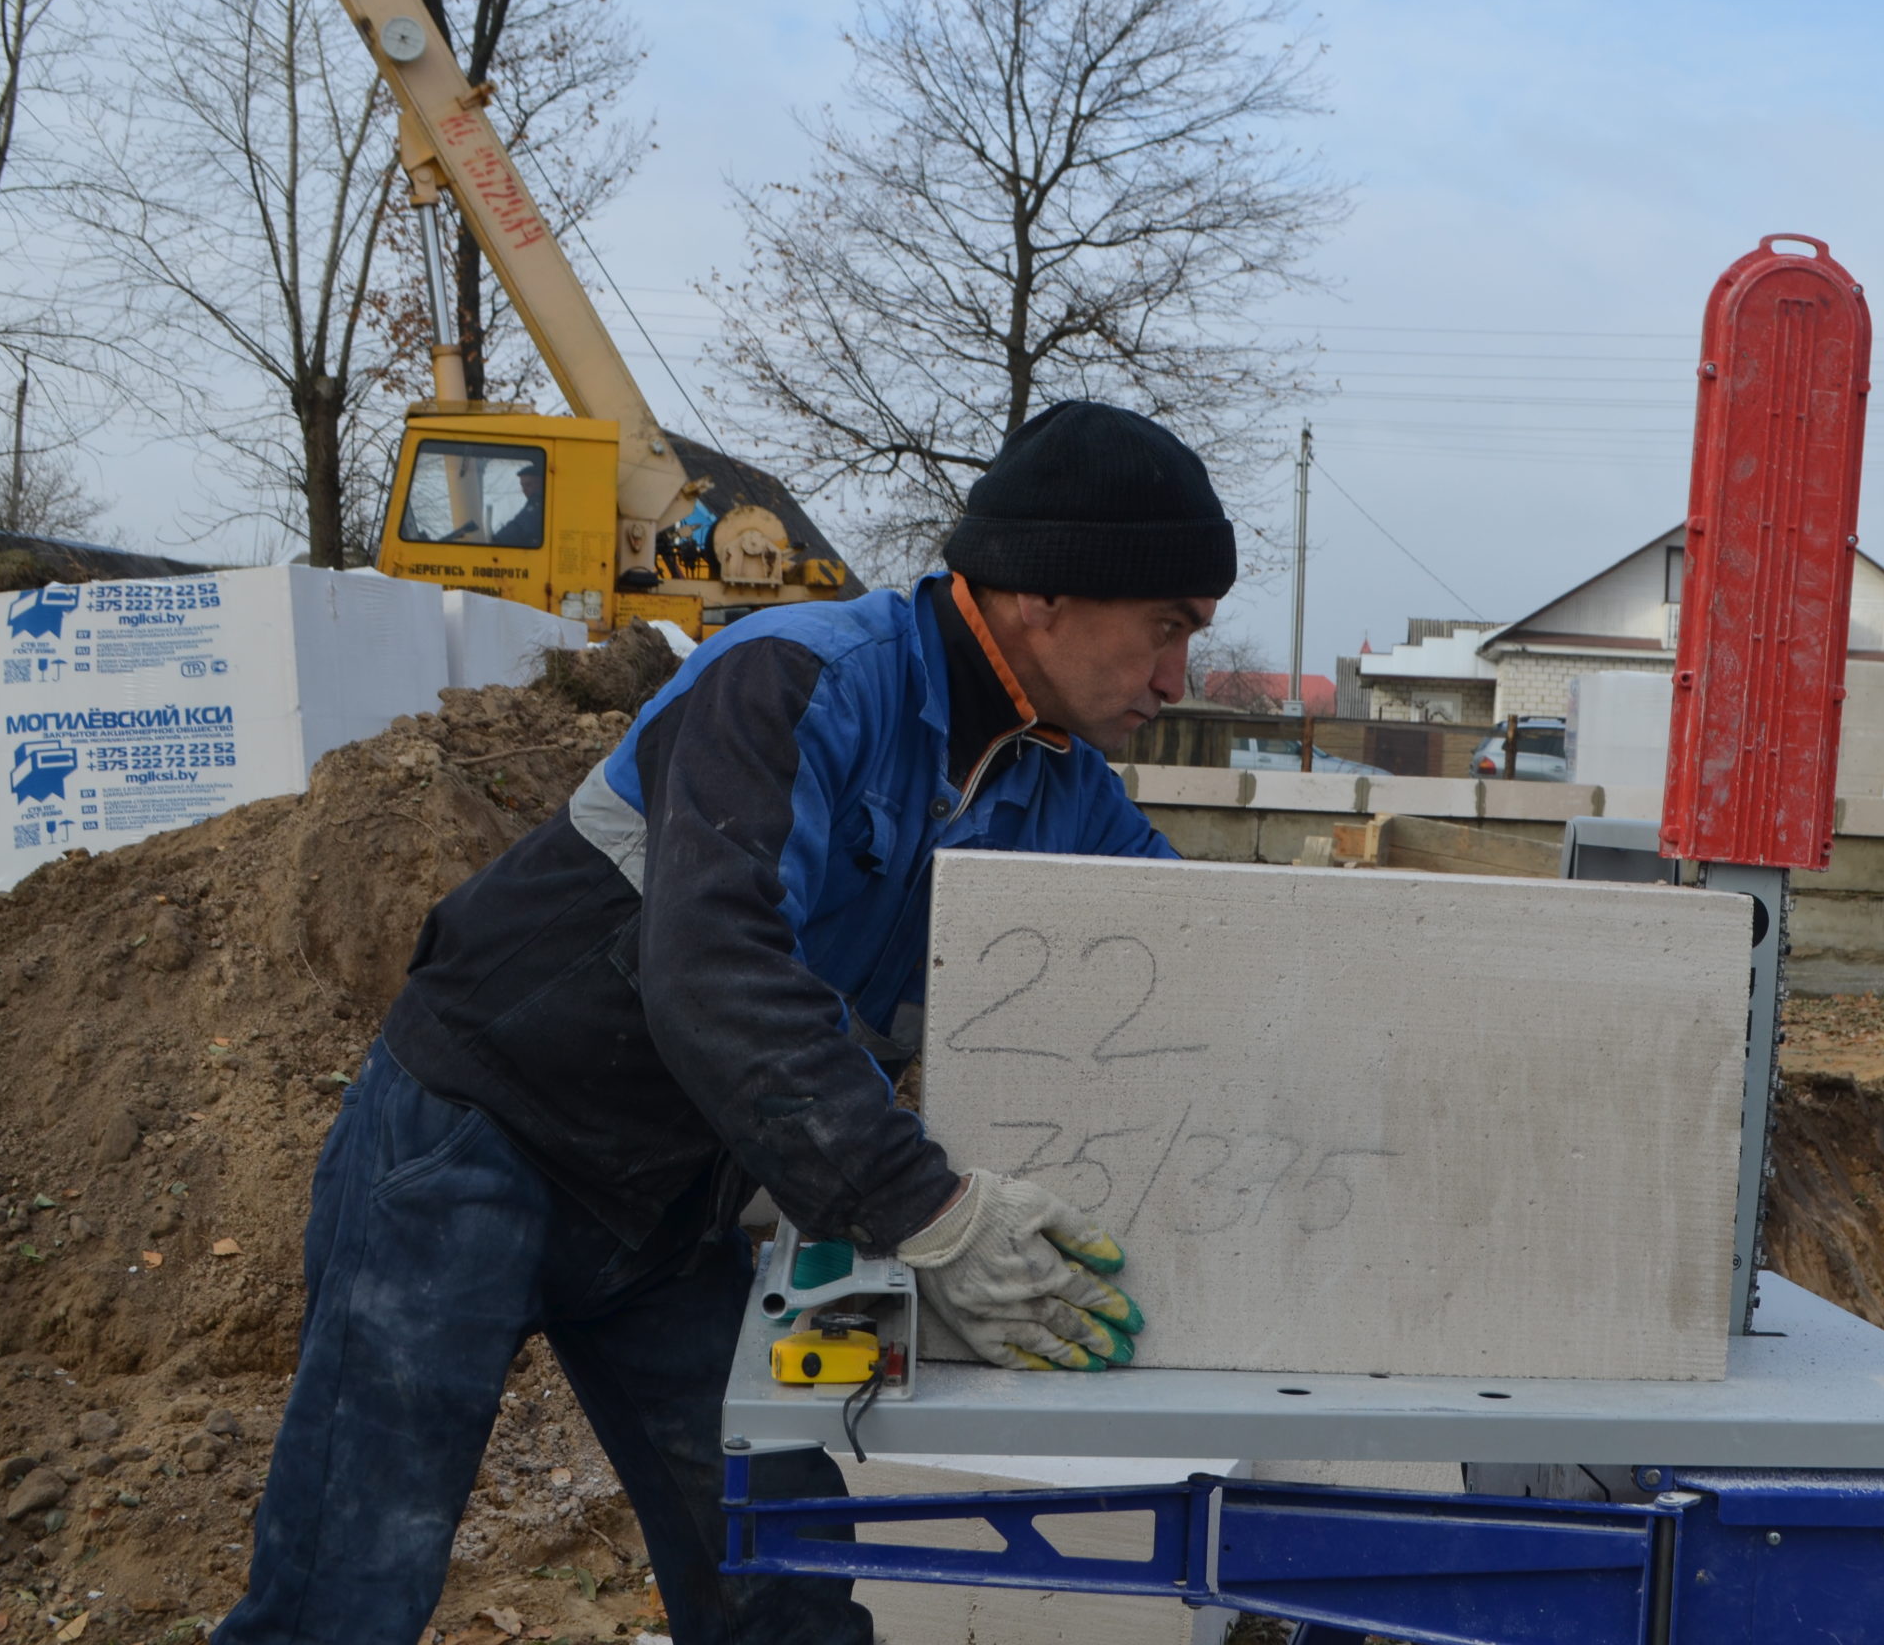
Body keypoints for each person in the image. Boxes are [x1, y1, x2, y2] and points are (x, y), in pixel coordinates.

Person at [215, 400, 1234, 1645]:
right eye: (1168, 627)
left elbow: (1205, 949)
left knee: (780, 1585)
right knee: (345, 1593)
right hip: (474, 1144)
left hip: (673, 1203)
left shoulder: (1051, 781)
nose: (1179, 677)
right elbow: (710, 966)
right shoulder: (800, 676)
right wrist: (929, 1213)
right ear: (1044, 597)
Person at [489, 461, 545, 547]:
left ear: (541, 484)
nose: (524, 490)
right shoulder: (536, 501)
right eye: (523, 486)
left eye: (528, 485)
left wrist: (498, 540)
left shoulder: (538, 502)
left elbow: (521, 526)